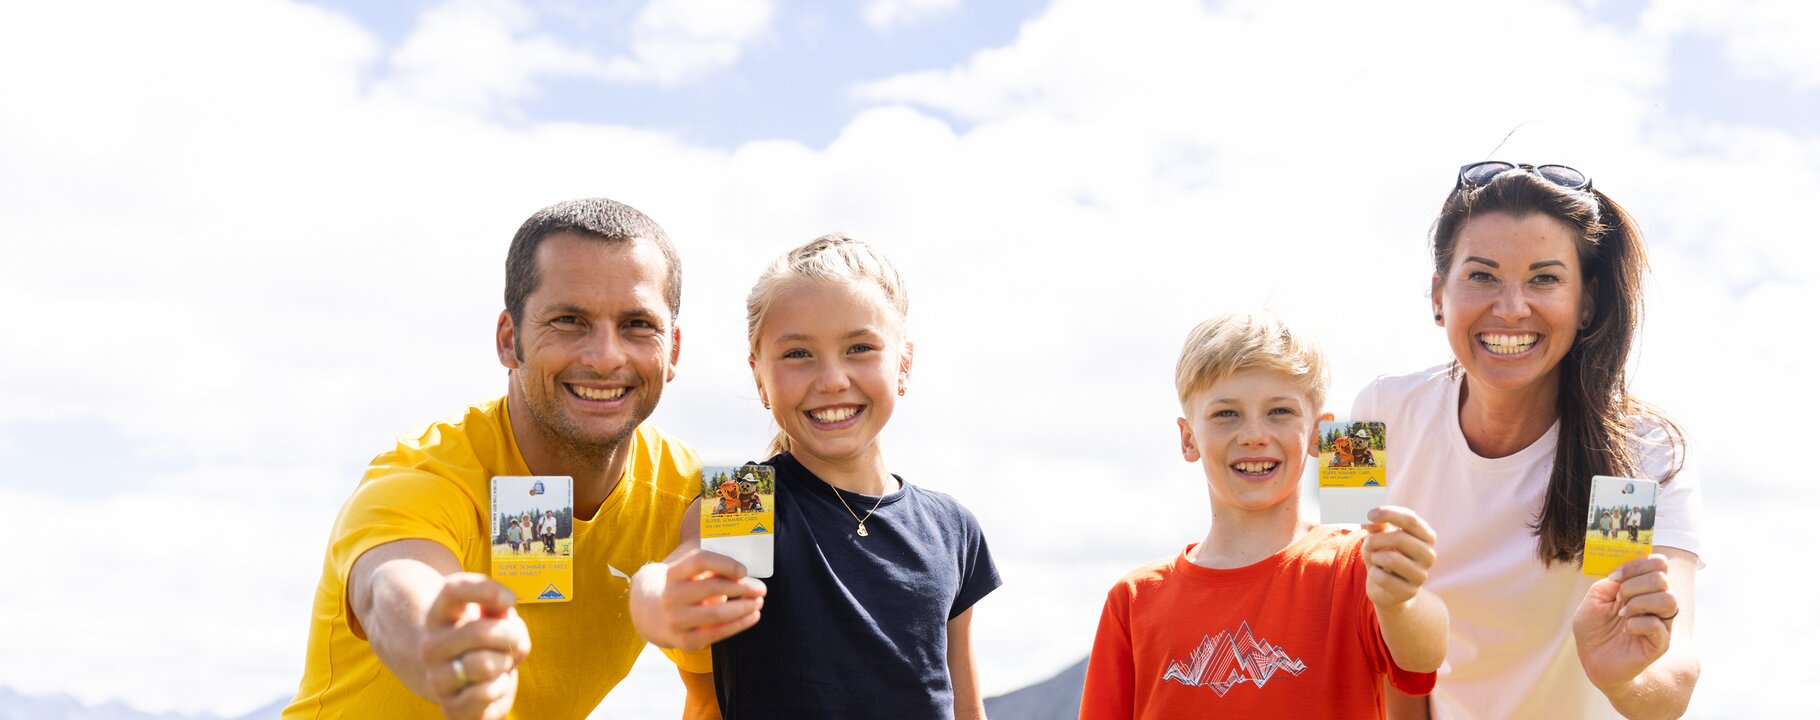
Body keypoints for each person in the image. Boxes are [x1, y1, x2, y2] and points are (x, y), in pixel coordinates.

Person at [284, 198, 719, 720]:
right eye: (568, 321)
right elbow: (391, 587)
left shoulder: (719, 487)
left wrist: (669, 585)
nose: (605, 357)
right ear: (510, 340)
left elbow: (735, 678)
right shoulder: (421, 474)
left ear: (672, 349)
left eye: (636, 324)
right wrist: (441, 639)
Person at [1353, 161, 1703, 718]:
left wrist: (1624, 679)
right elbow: (1352, 601)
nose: (1512, 307)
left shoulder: (1630, 457)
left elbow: (1670, 683)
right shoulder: (1371, 415)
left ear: (1585, 303)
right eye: (1483, 276)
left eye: (1544, 278)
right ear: (1439, 295)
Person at [628, 234, 1001, 719]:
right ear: (759, 377)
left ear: (903, 363)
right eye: (798, 354)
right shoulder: (745, 498)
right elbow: (673, 579)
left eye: (860, 347)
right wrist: (655, 598)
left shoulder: (952, 526)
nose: (831, 379)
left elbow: (966, 706)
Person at [1078, 312, 1447, 719]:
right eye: (1226, 414)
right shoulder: (1132, 600)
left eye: (1279, 412)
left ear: (1317, 435)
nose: (1254, 434)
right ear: (1188, 439)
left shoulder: (1356, 565)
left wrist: (1400, 602)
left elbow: (1422, 658)